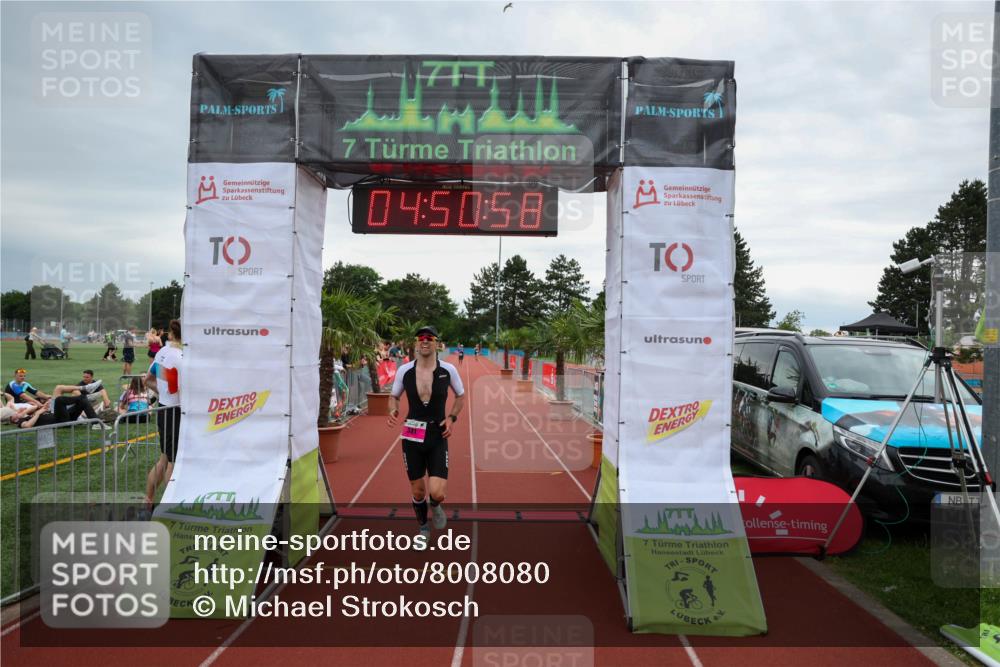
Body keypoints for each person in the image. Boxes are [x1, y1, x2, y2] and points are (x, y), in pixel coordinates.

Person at [387, 326, 465, 547]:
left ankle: (437, 506)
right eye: (421, 338)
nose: (424, 341)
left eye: (429, 338)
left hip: (437, 435)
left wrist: (451, 418)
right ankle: (423, 530)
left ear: (436, 343)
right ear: (416, 343)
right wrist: (392, 409)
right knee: (418, 490)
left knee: (437, 493)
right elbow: (393, 396)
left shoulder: (448, 370)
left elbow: (460, 396)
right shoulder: (405, 370)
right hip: (411, 435)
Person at [144, 319, 182, 508]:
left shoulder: (163, 352)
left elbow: (148, 380)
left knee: (164, 459)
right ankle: (169, 509)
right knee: (173, 463)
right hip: (176, 412)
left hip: (164, 408)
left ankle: (148, 501)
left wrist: (164, 395)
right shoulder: (182, 356)